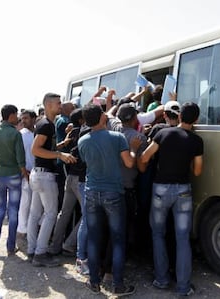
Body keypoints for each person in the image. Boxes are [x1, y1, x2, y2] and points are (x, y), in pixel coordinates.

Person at [140, 102, 204, 296]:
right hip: (183, 191)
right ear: (196, 120)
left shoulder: (162, 134)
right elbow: (198, 171)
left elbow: (144, 157)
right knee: (182, 238)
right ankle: (183, 287)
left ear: (180, 115)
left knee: (158, 234)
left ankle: (161, 280)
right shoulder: (197, 141)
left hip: (160, 189)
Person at [78, 104, 140, 296]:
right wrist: (134, 148)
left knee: (95, 238)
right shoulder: (117, 137)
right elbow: (129, 162)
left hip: (91, 191)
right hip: (113, 192)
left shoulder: (82, 141)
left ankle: (94, 282)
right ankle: (118, 285)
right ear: (102, 118)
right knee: (118, 239)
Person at [27, 93, 77, 267]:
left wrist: (61, 145)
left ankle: (32, 250)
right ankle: (40, 254)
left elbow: (45, 147)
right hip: (44, 176)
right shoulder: (46, 125)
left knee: (35, 214)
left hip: (38, 174)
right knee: (50, 214)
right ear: (48, 105)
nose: (60, 105)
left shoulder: (45, 123)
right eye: (58, 103)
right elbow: (36, 149)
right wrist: (59, 154)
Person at [0, 105, 28, 257]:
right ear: (11, 116)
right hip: (14, 176)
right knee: (13, 211)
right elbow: (20, 159)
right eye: (16, 114)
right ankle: (10, 247)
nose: (17, 117)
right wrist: (25, 174)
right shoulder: (15, 134)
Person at [49, 108, 85, 257]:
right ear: (82, 120)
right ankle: (69, 244)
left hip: (70, 176)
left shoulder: (71, 133)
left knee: (64, 214)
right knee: (89, 214)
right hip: (80, 179)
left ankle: (54, 246)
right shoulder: (85, 133)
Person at [113, 103, 148, 253]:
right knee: (125, 225)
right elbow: (141, 168)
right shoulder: (139, 138)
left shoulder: (112, 131)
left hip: (110, 186)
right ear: (135, 118)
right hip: (127, 187)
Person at [16, 109, 37, 254]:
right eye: (22, 118)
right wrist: (23, 172)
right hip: (26, 174)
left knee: (35, 206)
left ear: (34, 119)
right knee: (25, 203)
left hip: (39, 174)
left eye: (26, 118)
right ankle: (22, 233)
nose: (23, 121)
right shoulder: (21, 135)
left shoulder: (38, 133)